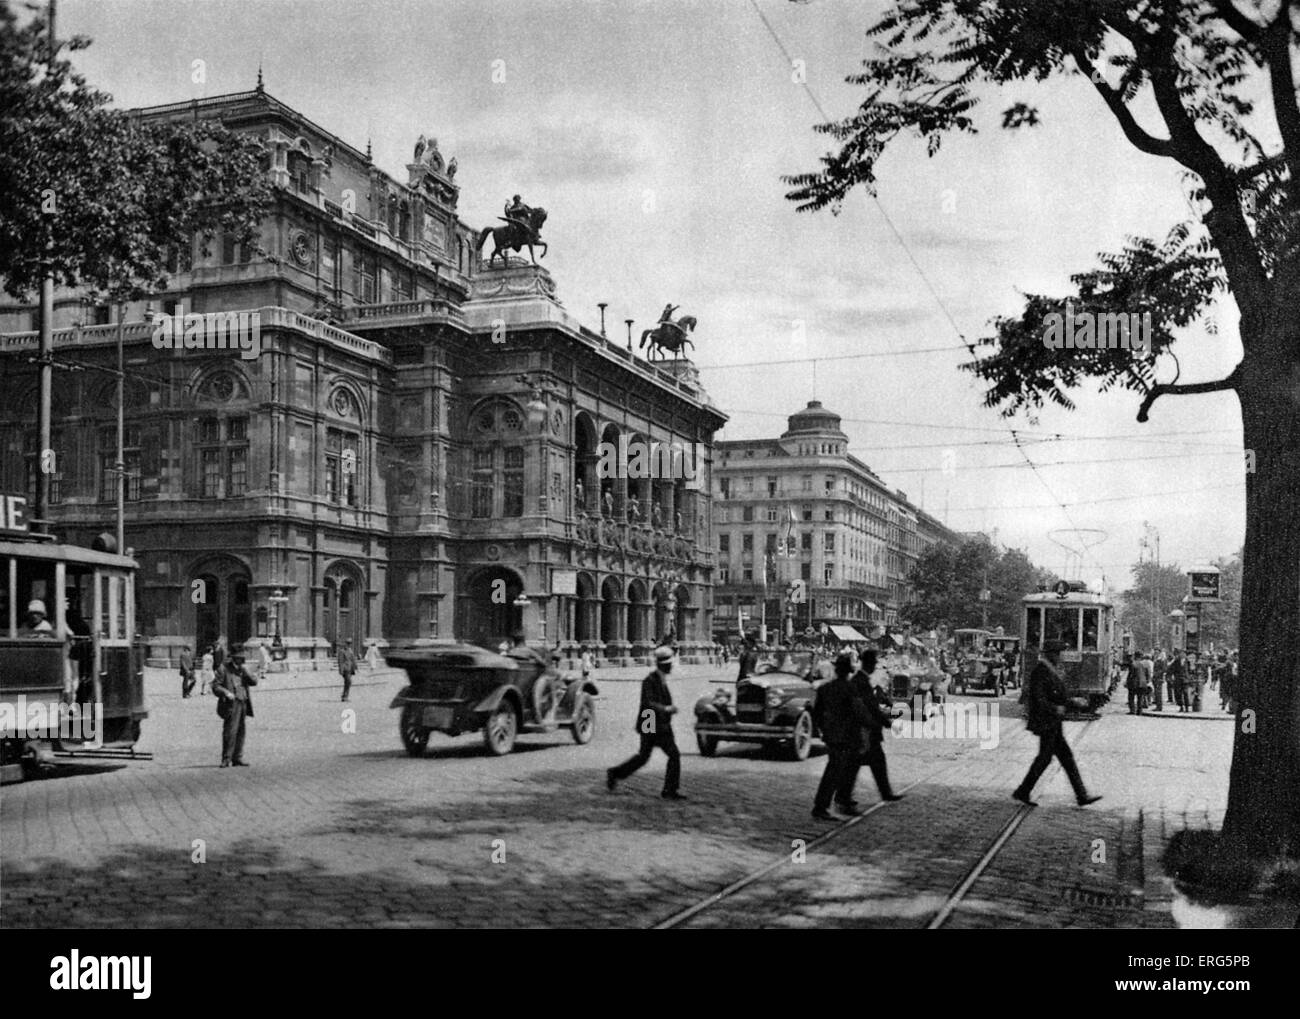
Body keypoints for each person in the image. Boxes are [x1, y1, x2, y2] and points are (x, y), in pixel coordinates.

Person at [1013, 640, 1102, 808]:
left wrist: (1072, 702)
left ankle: (1081, 795)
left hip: (1052, 723)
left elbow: (1057, 696)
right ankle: (1024, 790)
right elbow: (1039, 699)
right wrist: (1056, 708)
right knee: (1046, 759)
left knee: (1063, 758)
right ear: (1051, 654)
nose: (1060, 657)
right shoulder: (1041, 671)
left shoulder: (1049, 670)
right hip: (1047, 722)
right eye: (1059, 653)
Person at [607, 646, 683, 799]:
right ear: (662, 665)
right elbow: (648, 704)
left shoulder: (660, 679)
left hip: (659, 724)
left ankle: (615, 773)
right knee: (665, 755)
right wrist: (667, 709)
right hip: (650, 722)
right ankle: (669, 790)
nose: (671, 667)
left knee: (646, 757)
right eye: (669, 664)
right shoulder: (650, 680)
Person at [811, 652, 874, 819]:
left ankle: (829, 803)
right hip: (848, 736)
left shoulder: (824, 688)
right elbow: (859, 710)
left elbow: (816, 713)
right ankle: (830, 805)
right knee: (843, 770)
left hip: (831, 736)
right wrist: (871, 724)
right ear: (848, 671)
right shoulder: (849, 688)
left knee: (834, 768)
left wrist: (823, 730)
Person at [849, 650, 903, 806]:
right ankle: (844, 796)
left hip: (865, 730)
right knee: (859, 763)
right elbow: (871, 708)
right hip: (865, 730)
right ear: (870, 664)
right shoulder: (862, 681)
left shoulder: (860, 680)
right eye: (874, 663)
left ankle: (885, 793)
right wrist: (889, 723)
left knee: (866, 762)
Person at [211, 653, 258, 767]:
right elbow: (215, 686)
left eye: (242, 658)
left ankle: (237, 758)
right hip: (231, 704)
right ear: (233, 658)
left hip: (243, 702)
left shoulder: (243, 670)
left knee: (241, 731)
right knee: (230, 732)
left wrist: (247, 671)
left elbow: (254, 682)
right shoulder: (224, 669)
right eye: (238, 658)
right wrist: (226, 693)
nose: (240, 661)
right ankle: (226, 758)